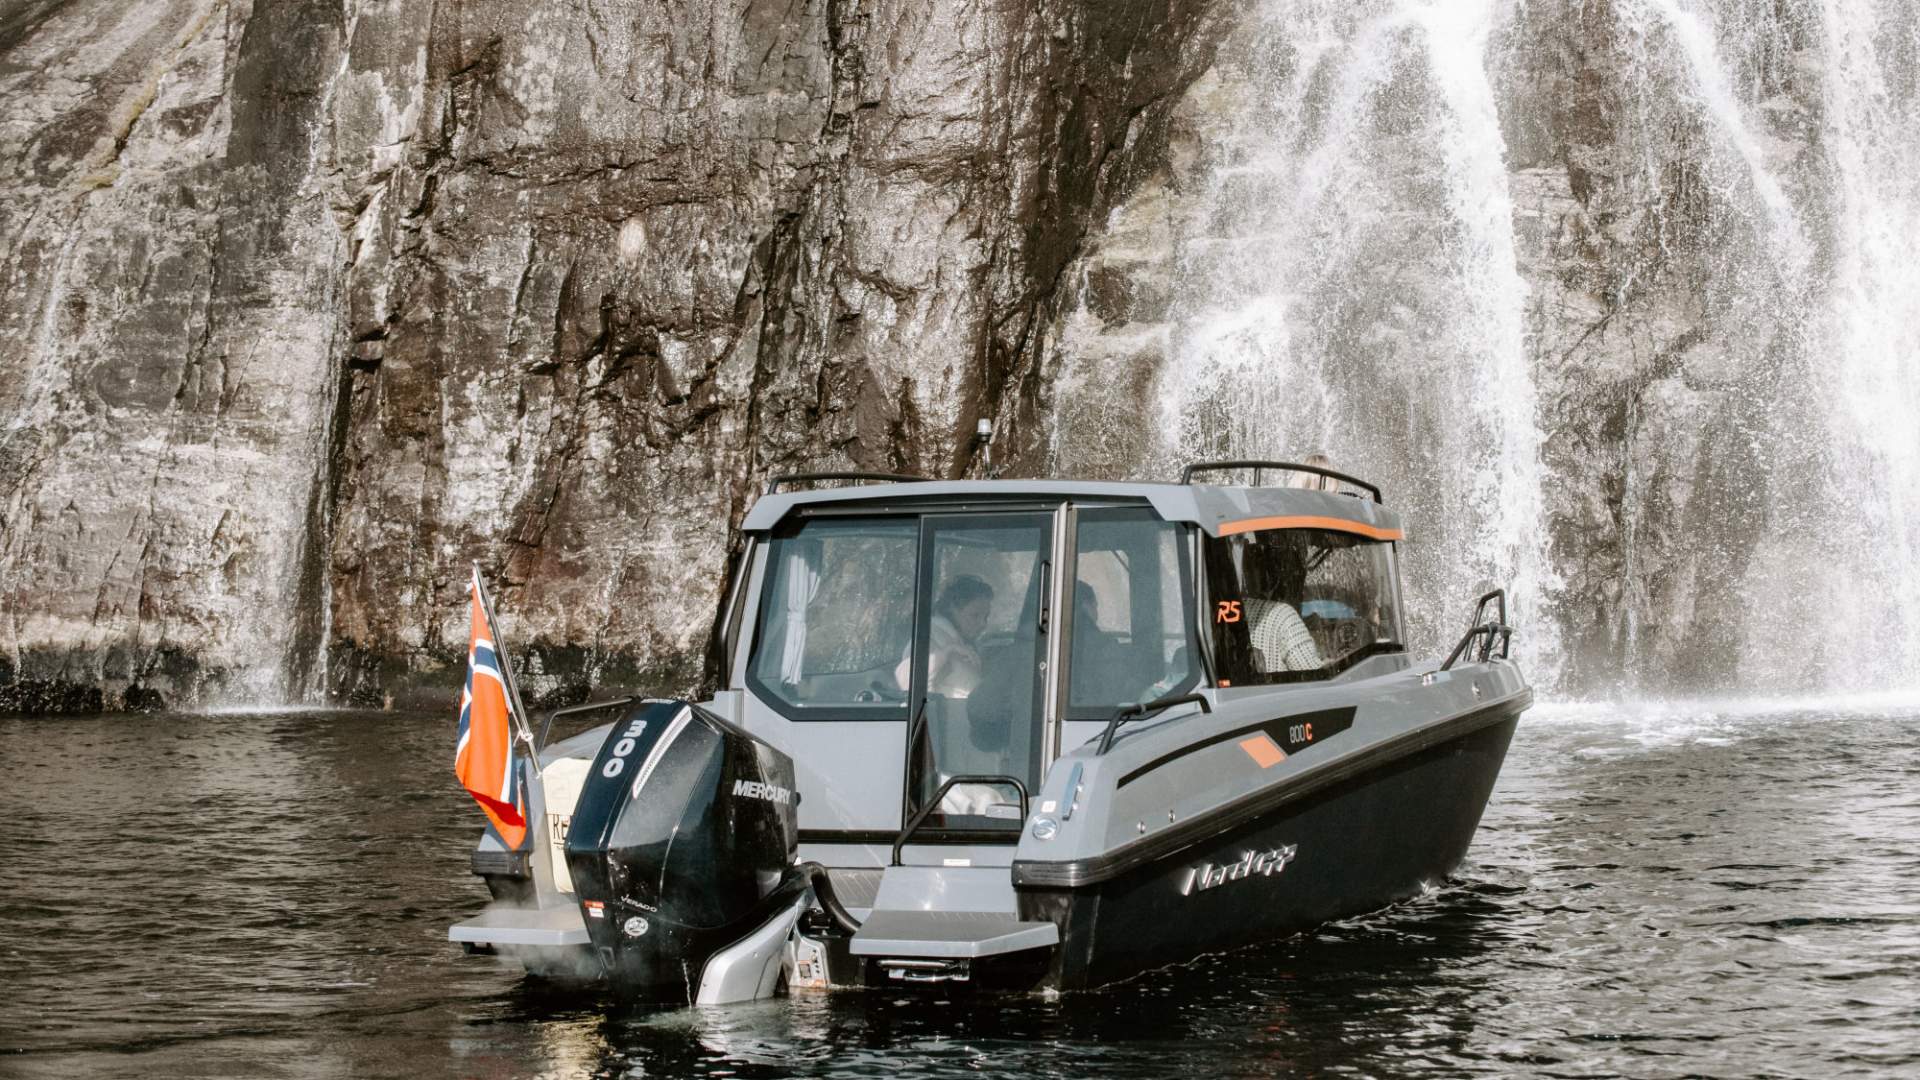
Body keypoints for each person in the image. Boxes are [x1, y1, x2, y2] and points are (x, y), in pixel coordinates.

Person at [896, 574, 994, 698]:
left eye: (986, 617)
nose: (983, 624)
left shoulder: (961, 641)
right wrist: (945, 653)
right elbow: (906, 681)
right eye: (975, 615)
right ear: (952, 609)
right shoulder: (928, 638)